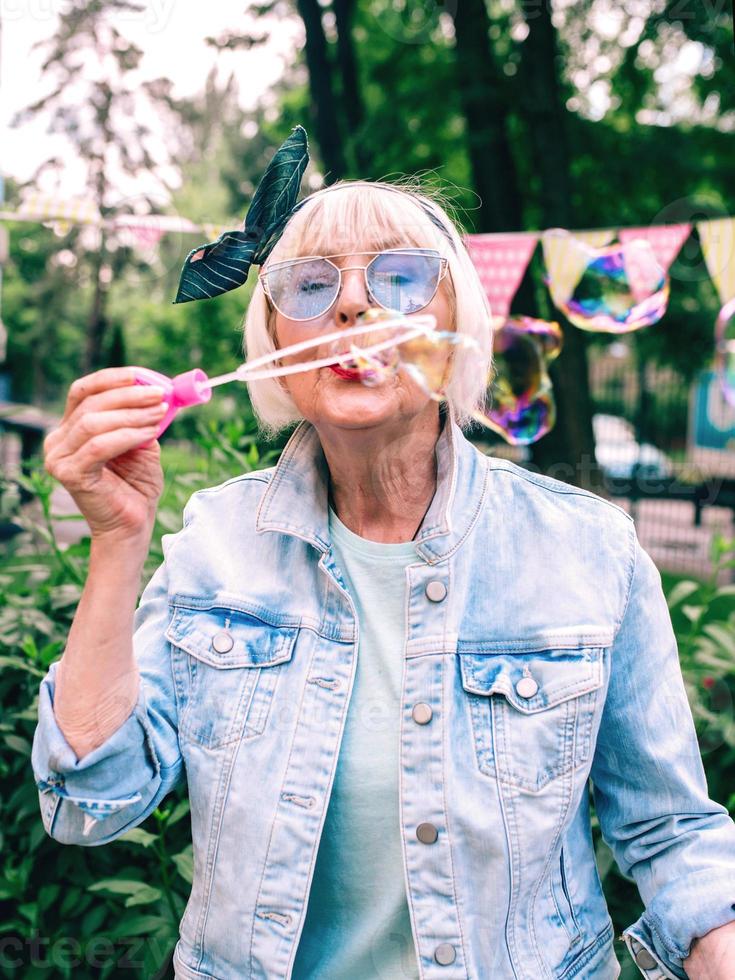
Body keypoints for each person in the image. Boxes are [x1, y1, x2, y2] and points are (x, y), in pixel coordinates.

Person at [32, 165, 735, 979]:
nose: (353, 305)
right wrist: (116, 541)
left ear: (457, 323)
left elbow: (670, 830)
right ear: (275, 343)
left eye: (401, 277)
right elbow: (89, 804)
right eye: (309, 284)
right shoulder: (217, 543)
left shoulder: (586, 549)